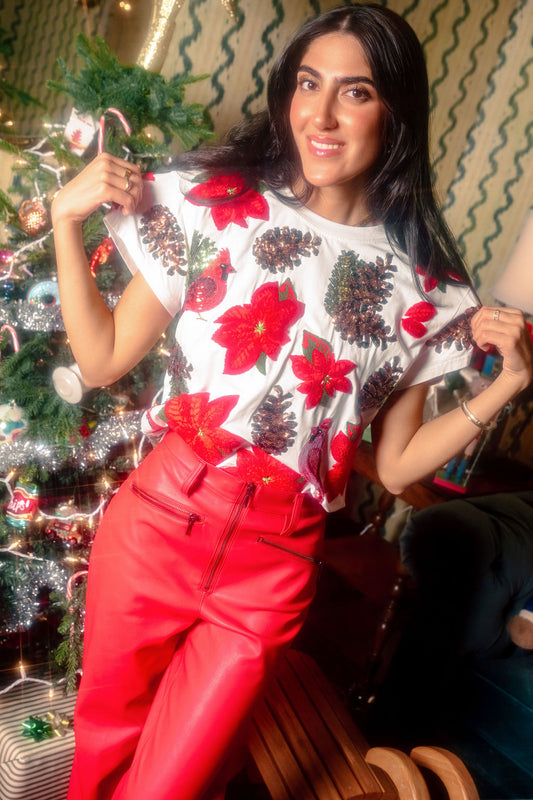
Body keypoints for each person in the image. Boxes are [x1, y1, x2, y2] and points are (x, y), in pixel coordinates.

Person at [51, 5, 533, 800]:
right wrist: (66, 225)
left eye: (355, 92)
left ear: (396, 112)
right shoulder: (214, 207)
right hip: (161, 519)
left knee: (168, 785)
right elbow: (101, 360)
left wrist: (510, 382)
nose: (320, 114)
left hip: (272, 564)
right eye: (308, 84)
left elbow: (396, 465)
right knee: (102, 750)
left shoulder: (426, 289)